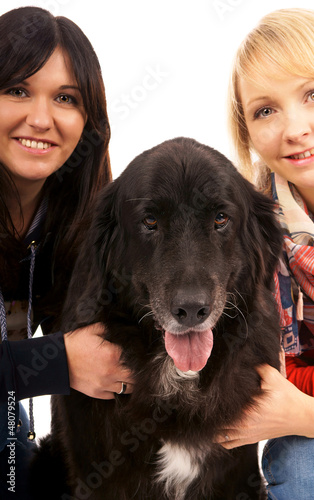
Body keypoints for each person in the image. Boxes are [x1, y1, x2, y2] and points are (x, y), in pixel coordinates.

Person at [0, 7, 134, 499]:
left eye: (65, 98)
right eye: (17, 89)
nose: (40, 118)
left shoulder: (80, 222)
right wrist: (57, 360)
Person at [220, 8, 314, 500]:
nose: (295, 129)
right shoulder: (255, 233)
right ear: (247, 134)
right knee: (301, 462)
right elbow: (270, 377)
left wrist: (311, 412)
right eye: (266, 110)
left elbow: (294, 397)